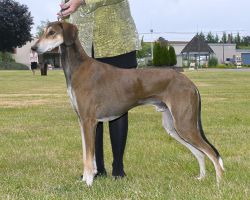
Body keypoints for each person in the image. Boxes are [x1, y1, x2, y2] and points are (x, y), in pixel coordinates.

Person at [59, 0, 140, 178]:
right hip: (85, 44)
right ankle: (96, 168)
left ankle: (118, 169)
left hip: (116, 40)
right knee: (89, 110)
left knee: (120, 103)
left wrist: (81, 1)